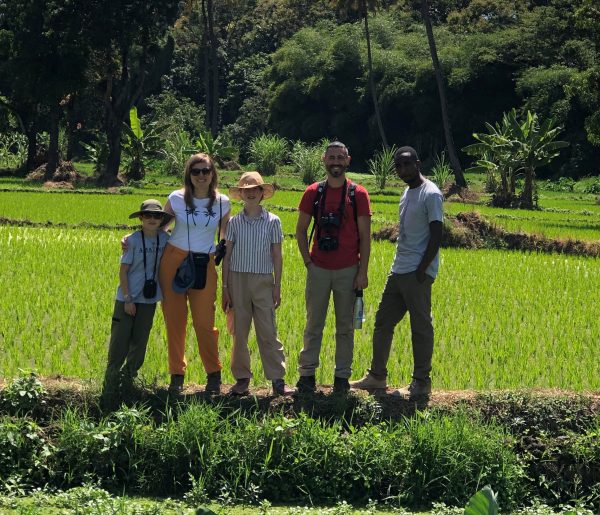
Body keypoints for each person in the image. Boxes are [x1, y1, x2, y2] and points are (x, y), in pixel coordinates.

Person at [351, 146, 443, 400]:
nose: (403, 170)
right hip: (399, 269)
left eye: (407, 164)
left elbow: (437, 234)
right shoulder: (406, 192)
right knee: (383, 322)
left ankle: (421, 382)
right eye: (398, 166)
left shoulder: (431, 194)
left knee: (420, 327)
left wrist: (422, 270)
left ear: (418, 163)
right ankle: (377, 376)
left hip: (417, 272)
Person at [295, 141, 371, 393]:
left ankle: (341, 378)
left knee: (345, 328)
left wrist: (362, 271)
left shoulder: (358, 194)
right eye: (331, 157)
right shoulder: (313, 192)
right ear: (323, 160)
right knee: (313, 324)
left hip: (349, 270)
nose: (336, 162)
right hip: (318, 268)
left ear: (348, 160)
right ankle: (307, 375)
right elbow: (300, 230)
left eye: (340, 157)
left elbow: (365, 235)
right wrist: (308, 261)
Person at [159, 153, 230, 394]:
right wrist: (133, 240)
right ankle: (177, 374)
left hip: (204, 263)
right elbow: (160, 228)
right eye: (196, 171)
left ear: (213, 173)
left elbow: (224, 235)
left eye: (206, 170)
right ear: (189, 174)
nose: (201, 175)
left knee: (204, 322)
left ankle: (214, 374)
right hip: (174, 259)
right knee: (175, 321)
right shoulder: (176, 199)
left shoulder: (223, 202)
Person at [221, 171, 294, 396]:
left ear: (262, 193)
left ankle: (277, 380)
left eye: (255, 190)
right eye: (246, 190)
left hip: (263, 280)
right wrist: (225, 288)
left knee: (268, 331)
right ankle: (242, 378)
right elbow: (228, 255)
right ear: (241, 194)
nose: (251, 193)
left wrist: (277, 285)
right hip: (237, 279)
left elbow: (277, 256)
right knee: (240, 332)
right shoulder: (234, 222)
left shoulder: (273, 221)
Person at [101, 199, 173, 409]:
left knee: (140, 343)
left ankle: (128, 382)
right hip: (127, 299)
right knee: (119, 343)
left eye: (157, 216)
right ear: (141, 218)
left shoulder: (166, 239)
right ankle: (110, 389)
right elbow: (123, 271)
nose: (152, 219)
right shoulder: (131, 240)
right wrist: (128, 298)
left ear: (162, 220)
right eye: (148, 215)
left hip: (149, 300)